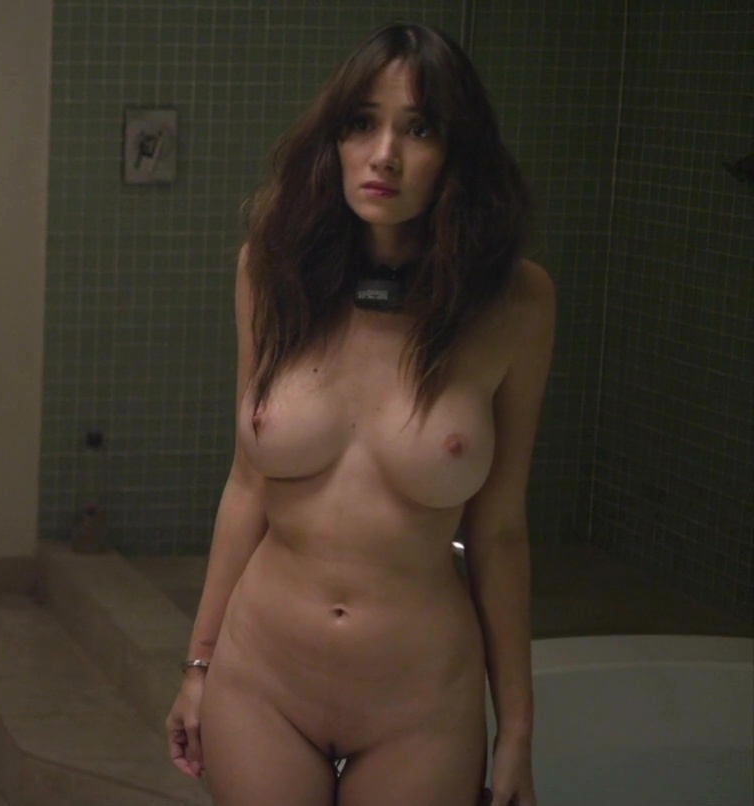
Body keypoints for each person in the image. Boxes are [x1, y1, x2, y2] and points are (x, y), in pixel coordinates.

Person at [164, 21, 550, 806]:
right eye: (362, 124)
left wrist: (516, 728)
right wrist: (198, 668)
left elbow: (500, 530)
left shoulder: (516, 304)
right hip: (262, 682)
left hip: (421, 705)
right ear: (332, 140)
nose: (384, 155)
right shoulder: (271, 274)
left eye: (419, 129)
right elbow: (247, 485)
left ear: (459, 154)